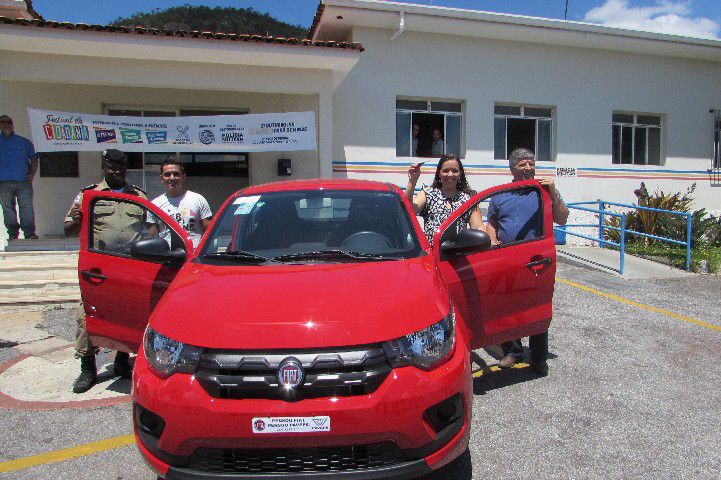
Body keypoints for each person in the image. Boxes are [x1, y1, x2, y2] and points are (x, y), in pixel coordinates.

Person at [64, 149, 147, 393]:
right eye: (112, 167)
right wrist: (78, 219)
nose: (116, 172)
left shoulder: (138, 195)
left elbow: (150, 228)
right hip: (99, 270)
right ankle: (88, 368)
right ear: (104, 167)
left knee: (128, 314)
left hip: (131, 268)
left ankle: (122, 361)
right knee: (87, 316)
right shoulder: (88, 194)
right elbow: (68, 228)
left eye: (121, 168)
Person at [486, 147, 569, 376]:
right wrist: (492, 242)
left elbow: (562, 218)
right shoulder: (501, 194)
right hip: (508, 260)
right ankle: (513, 351)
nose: (528, 168)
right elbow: (492, 223)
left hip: (537, 261)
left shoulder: (542, 192)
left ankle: (539, 358)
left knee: (538, 308)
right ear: (512, 168)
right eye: (523, 164)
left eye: (531, 163)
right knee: (508, 307)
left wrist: (554, 191)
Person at [405, 154, 485, 244]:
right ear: (439, 174)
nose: (450, 174)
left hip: (458, 254)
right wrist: (412, 181)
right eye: (445, 171)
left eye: (454, 171)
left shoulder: (469, 198)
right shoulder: (428, 193)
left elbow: (478, 228)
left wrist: (487, 244)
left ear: (460, 174)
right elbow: (409, 210)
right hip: (432, 254)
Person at [150, 158, 212, 248]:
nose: (172, 178)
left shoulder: (198, 200)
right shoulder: (154, 205)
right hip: (167, 256)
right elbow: (153, 238)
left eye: (176, 174)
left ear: (183, 177)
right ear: (162, 179)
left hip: (193, 256)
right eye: (167, 174)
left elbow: (209, 232)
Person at [0, 114, 38, 240]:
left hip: (23, 181)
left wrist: (32, 174)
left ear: (12, 124)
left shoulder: (24, 142)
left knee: (26, 207)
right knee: (8, 209)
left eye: (9, 122)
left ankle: (29, 233)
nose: (6, 124)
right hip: (3, 182)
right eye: (3, 122)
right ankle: (12, 234)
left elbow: (34, 158)